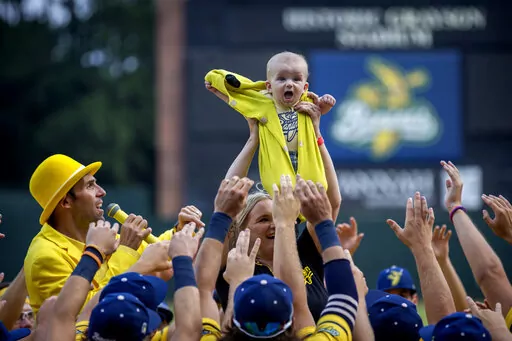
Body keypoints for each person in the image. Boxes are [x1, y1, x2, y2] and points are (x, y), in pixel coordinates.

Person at [24, 154, 180, 313]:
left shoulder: (97, 234)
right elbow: (85, 315)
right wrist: (126, 250)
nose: (102, 192)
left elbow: (154, 254)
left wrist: (179, 230)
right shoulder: (45, 257)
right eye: (90, 186)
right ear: (66, 201)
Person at [204, 52, 335, 201]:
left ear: (305, 87)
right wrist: (218, 88)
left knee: (315, 188)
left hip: (306, 159)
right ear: (269, 86)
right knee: (281, 190)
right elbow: (240, 98)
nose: (289, 83)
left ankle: (306, 215)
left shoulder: (307, 102)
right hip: (277, 162)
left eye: (296, 79)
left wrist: (326, 104)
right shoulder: (264, 103)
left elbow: (320, 110)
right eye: (281, 78)